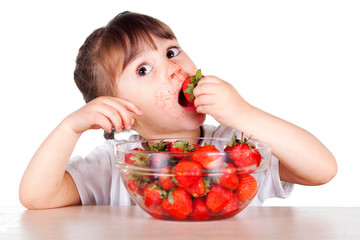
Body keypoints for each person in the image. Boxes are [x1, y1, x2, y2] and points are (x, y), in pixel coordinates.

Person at [19, 11, 337, 209]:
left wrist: (243, 113)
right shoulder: (115, 164)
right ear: (114, 107)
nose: (173, 68)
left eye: (172, 51)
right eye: (143, 69)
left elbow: (322, 169)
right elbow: (37, 198)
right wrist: (69, 128)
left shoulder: (236, 148)